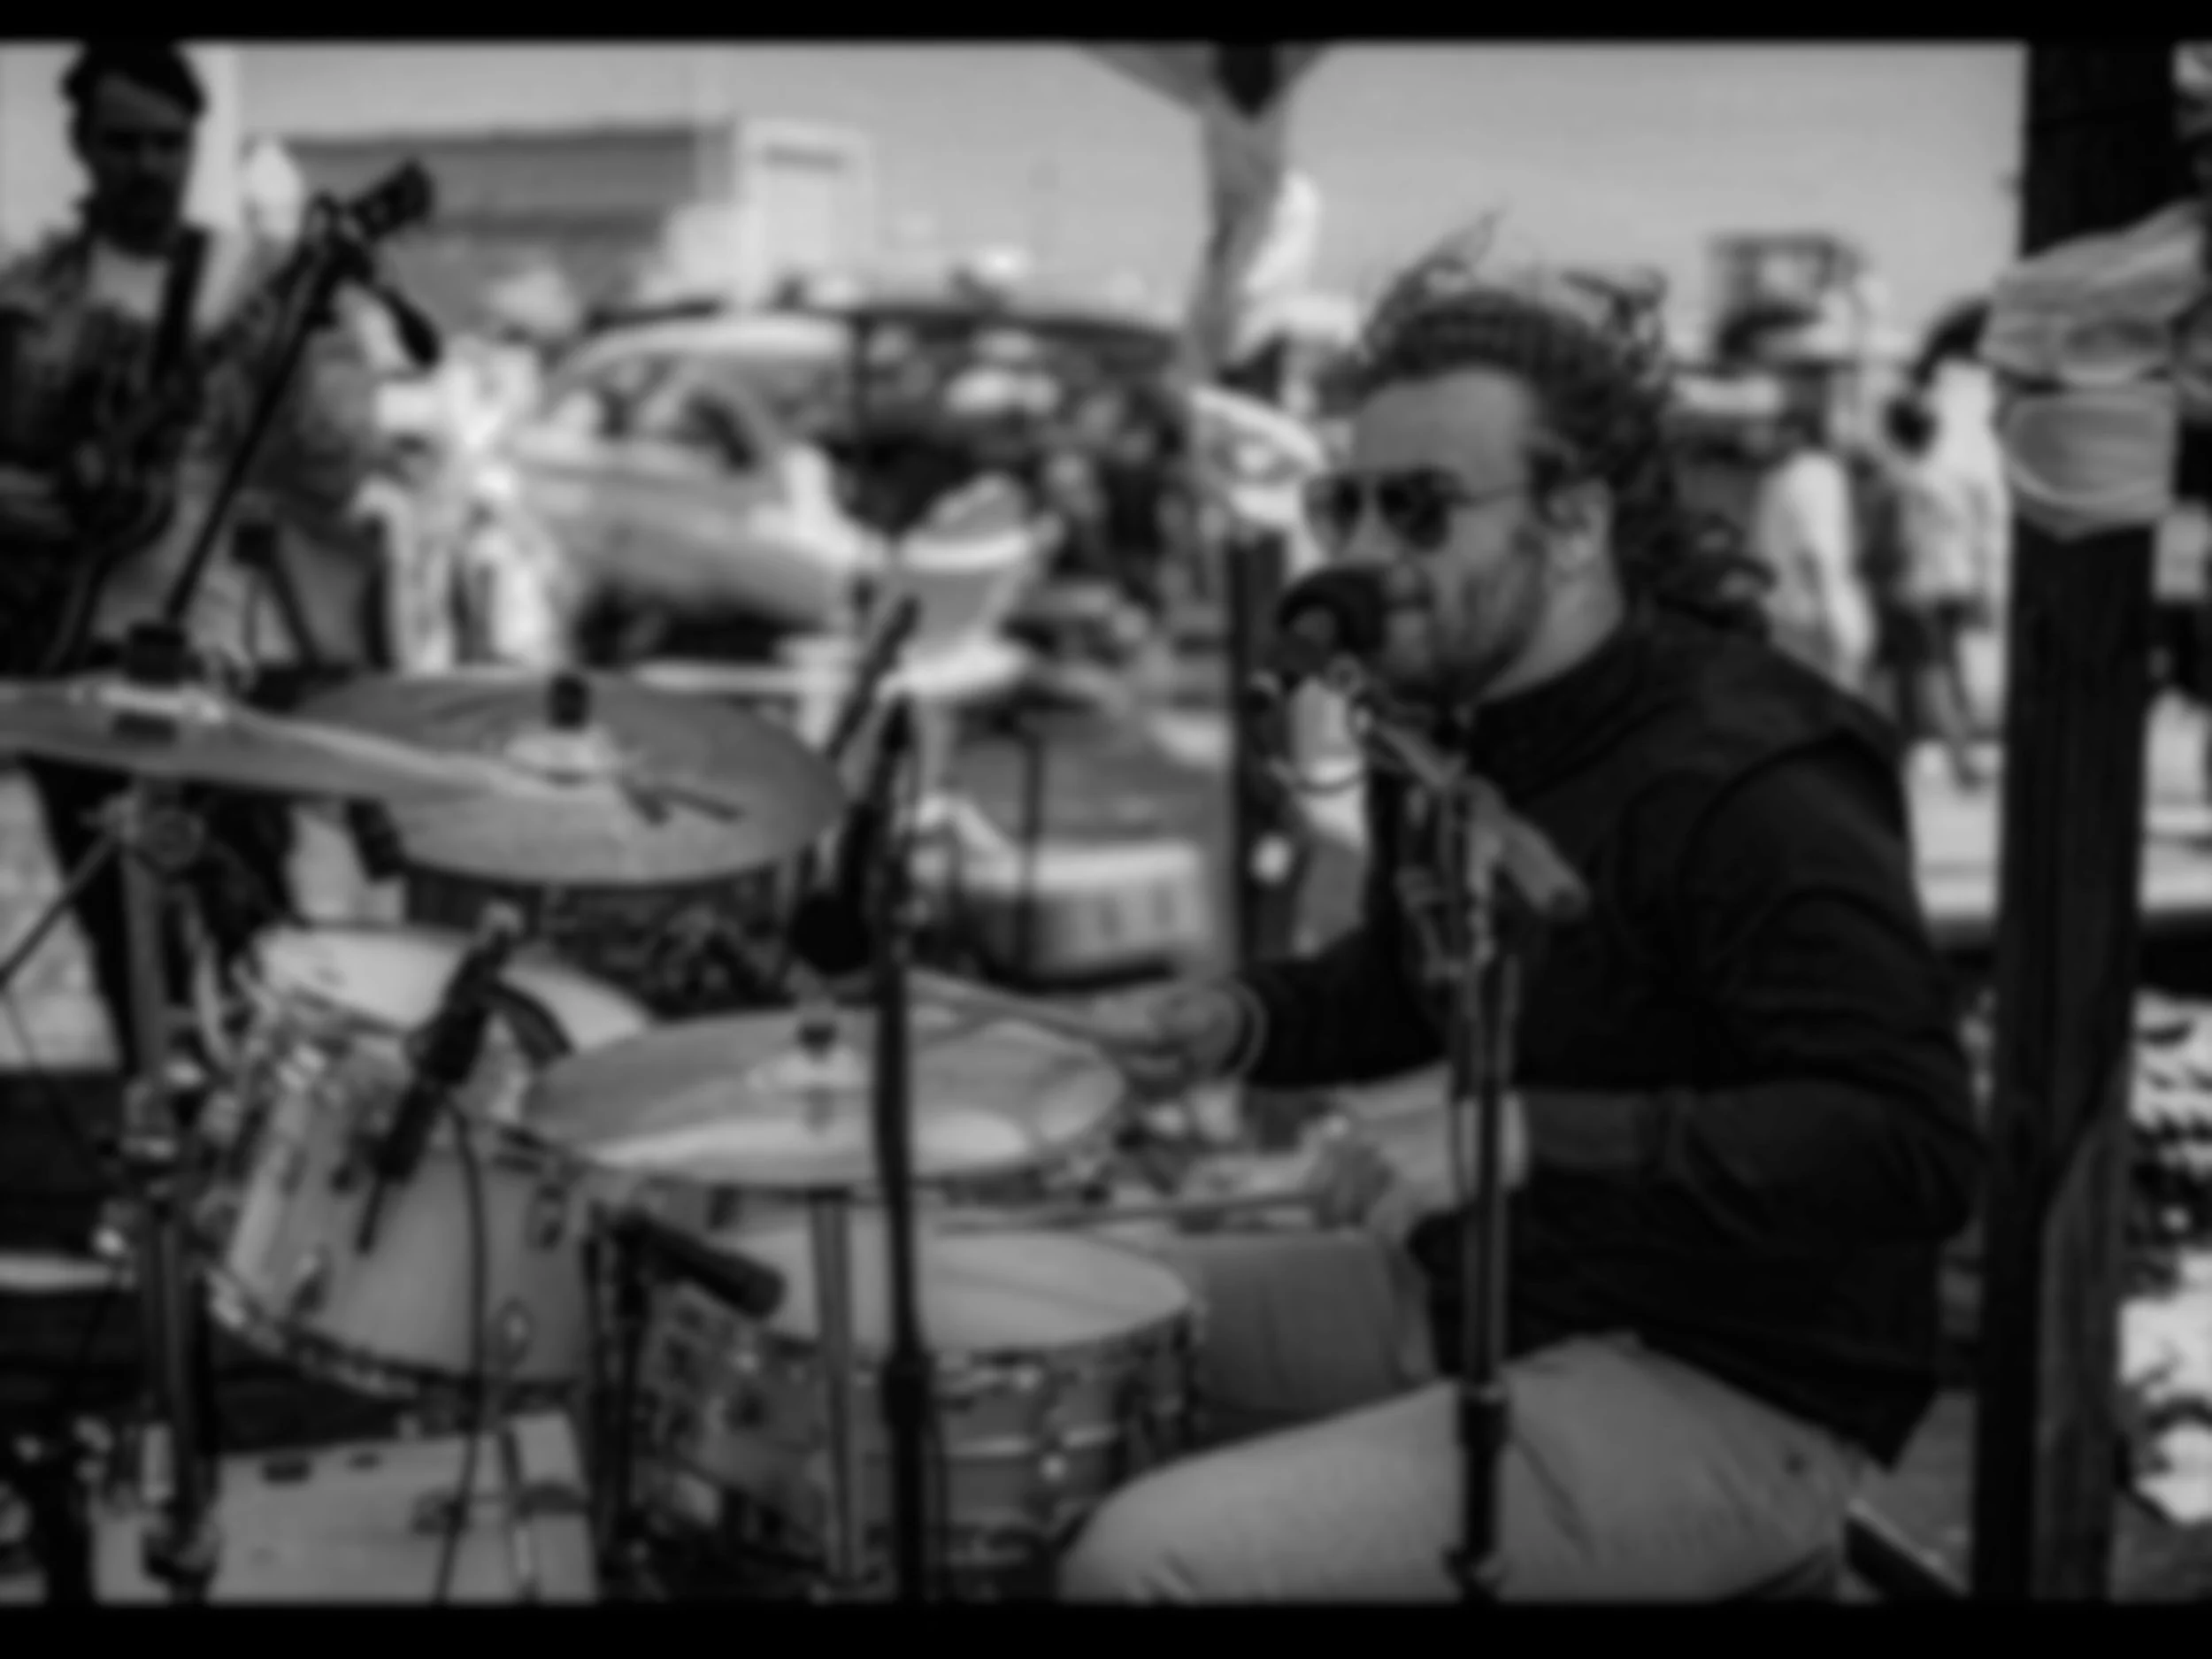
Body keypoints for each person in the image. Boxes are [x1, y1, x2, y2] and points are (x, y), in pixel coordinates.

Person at [1060, 242, 1984, 1602]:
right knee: (1072, 1322)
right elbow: (1406, 976)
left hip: (1726, 1375)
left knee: (1148, 1561)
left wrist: (1526, 1134)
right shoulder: (1434, 721)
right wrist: (1236, 1018)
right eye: (1346, 506)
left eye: (1420, 508)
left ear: (1573, 521)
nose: (1367, 555)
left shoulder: (1751, 773)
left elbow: (1908, 1142)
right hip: (1479, 1291)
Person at [0, 42, 391, 1073]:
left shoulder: (249, 283)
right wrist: (33, 501)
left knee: (252, 935)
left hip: (218, 662)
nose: (146, 165)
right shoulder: (31, 295)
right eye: (122, 141)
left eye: (168, 143)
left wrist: (301, 352)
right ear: (82, 146)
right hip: (63, 656)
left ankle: (257, 1185)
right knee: (122, 948)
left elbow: (335, 476)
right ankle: (155, 1170)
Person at [1858, 396, 1988, 791]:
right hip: (1951, 586)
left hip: (1911, 590)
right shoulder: (1951, 476)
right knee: (1906, 671)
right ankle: (1889, 754)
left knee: (1925, 676)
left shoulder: (1895, 478)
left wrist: (1868, 567)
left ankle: (1960, 761)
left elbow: (1898, 538)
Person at [1749, 403, 1873, 695]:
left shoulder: (1807, 476)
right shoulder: (1791, 477)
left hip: (1807, 610)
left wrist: (1826, 608)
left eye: (1779, 431)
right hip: (1801, 609)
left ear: (1798, 435)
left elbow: (1815, 546)